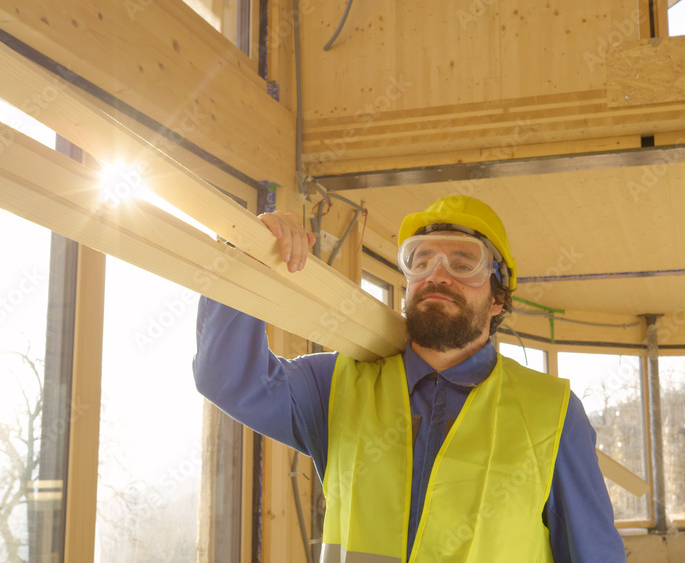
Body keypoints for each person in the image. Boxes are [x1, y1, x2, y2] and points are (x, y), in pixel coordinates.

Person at [193, 196, 626, 562]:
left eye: (463, 262)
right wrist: (245, 254)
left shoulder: (551, 412)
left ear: (498, 298)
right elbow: (226, 377)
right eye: (420, 260)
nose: (437, 274)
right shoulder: (337, 386)